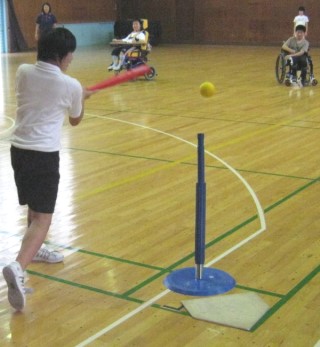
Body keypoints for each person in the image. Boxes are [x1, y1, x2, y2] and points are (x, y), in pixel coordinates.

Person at [2, 28, 95, 311]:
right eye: (70, 54)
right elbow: (76, 119)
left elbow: (50, 94)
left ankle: (35, 249)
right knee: (43, 218)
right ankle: (18, 268)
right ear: (61, 54)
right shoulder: (71, 86)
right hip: (44, 156)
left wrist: (77, 93)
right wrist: (81, 97)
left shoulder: (24, 72)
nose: (71, 59)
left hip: (19, 151)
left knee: (35, 207)